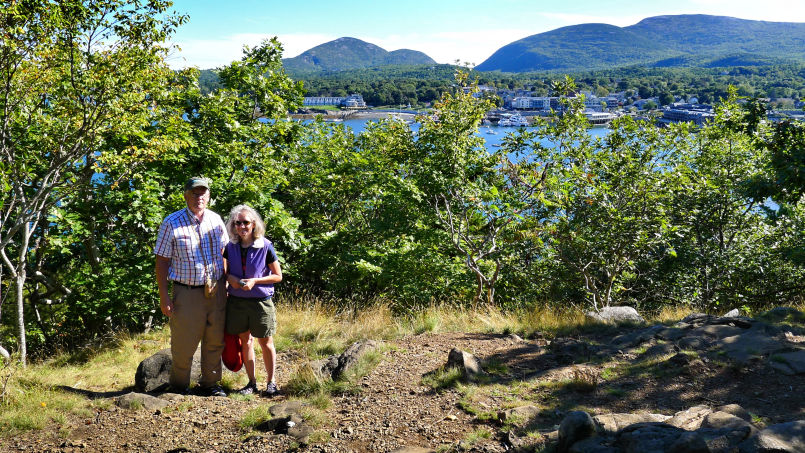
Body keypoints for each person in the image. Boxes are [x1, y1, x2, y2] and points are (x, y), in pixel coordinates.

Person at [154, 177, 229, 397]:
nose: (199, 198)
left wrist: (226, 284)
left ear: (209, 196)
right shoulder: (171, 222)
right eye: (195, 194)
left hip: (217, 290)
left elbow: (225, 253)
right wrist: (164, 297)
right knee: (184, 343)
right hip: (186, 293)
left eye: (203, 193)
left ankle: (211, 385)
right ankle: (179, 387)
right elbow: (161, 261)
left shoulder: (216, 220)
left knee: (215, 340)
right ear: (186, 195)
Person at [224, 204, 283, 396]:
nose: (242, 226)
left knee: (266, 341)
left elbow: (277, 276)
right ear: (233, 225)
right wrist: (231, 279)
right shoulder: (230, 247)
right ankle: (251, 383)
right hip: (237, 302)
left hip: (260, 301)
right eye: (238, 223)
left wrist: (255, 281)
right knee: (245, 341)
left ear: (253, 224)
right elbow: (225, 274)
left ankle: (271, 382)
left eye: (246, 222)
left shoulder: (265, 246)